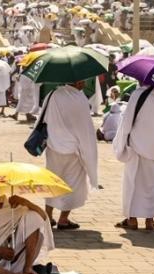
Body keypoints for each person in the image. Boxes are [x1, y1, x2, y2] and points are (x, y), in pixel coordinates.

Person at [112, 85, 154, 231]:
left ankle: (132, 220)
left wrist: (121, 142)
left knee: (134, 183)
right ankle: (150, 221)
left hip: (138, 147)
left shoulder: (138, 94)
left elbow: (127, 122)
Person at [39, 80, 99, 230]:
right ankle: (63, 219)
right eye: (82, 80)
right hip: (73, 149)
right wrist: (88, 151)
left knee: (52, 180)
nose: (84, 83)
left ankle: (47, 216)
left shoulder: (52, 95)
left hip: (53, 146)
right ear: (77, 82)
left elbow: (43, 119)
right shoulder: (79, 98)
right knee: (73, 183)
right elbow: (84, 127)